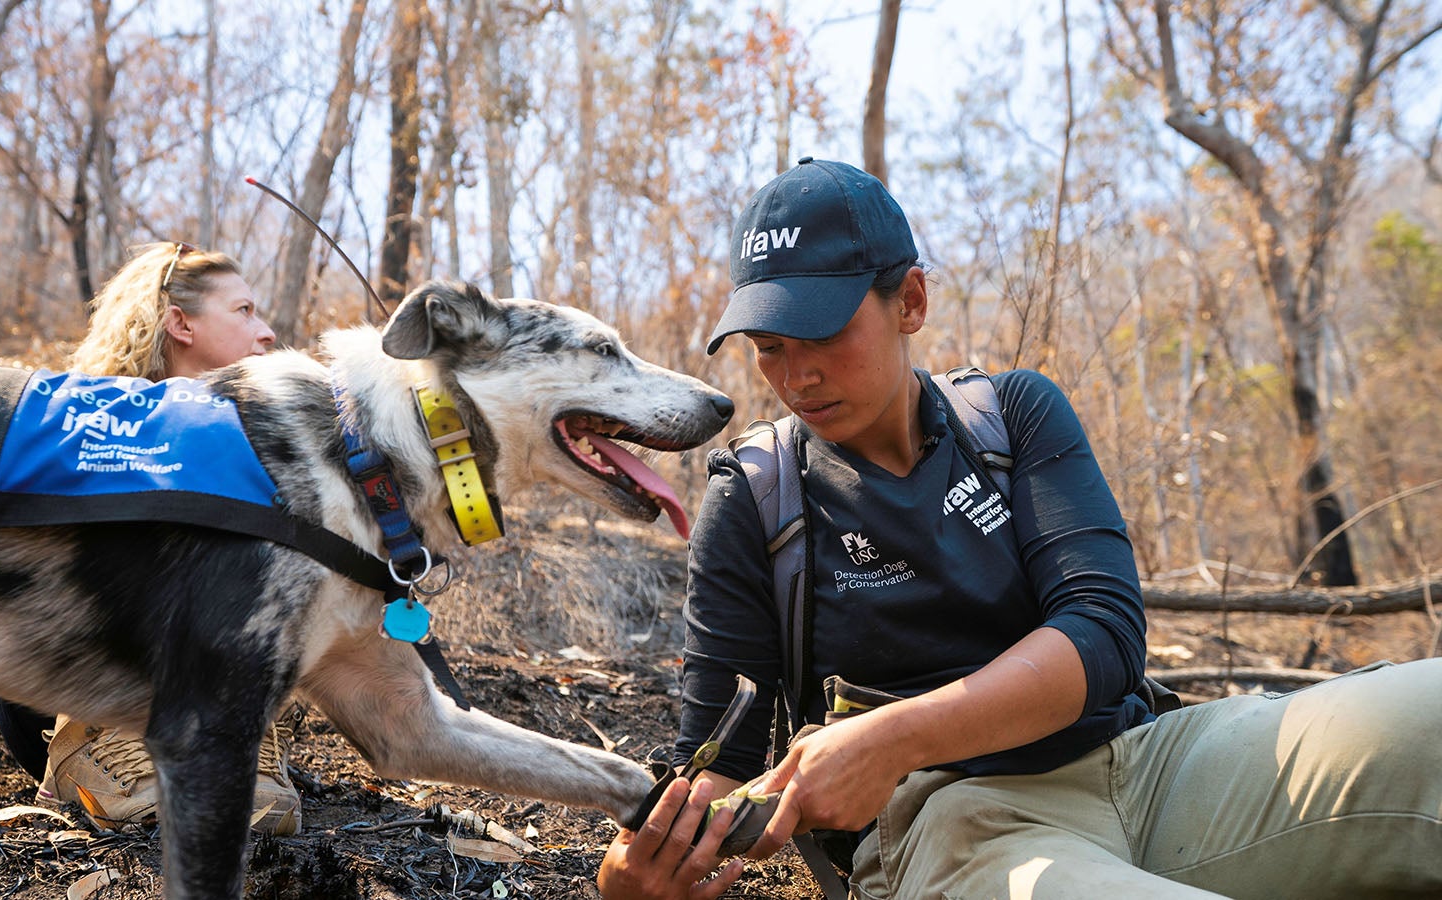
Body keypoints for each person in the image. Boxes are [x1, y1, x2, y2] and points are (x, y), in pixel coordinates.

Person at [599, 158, 1442, 899]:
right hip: (959, 830)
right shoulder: (755, 499)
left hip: (1150, 767)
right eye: (768, 346)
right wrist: (637, 871)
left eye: (822, 332)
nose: (797, 374)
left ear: (911, 301)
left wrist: (888, 738)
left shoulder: (1013, 417)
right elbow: (721, 760)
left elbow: (1105, 633)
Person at [0, 240, 296, 835]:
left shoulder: (261, 438)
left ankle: (238, 736)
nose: (266, 332)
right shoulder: (88, 421)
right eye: (244, 311)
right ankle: (90, 749)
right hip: (65, 694)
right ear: (181, 323)